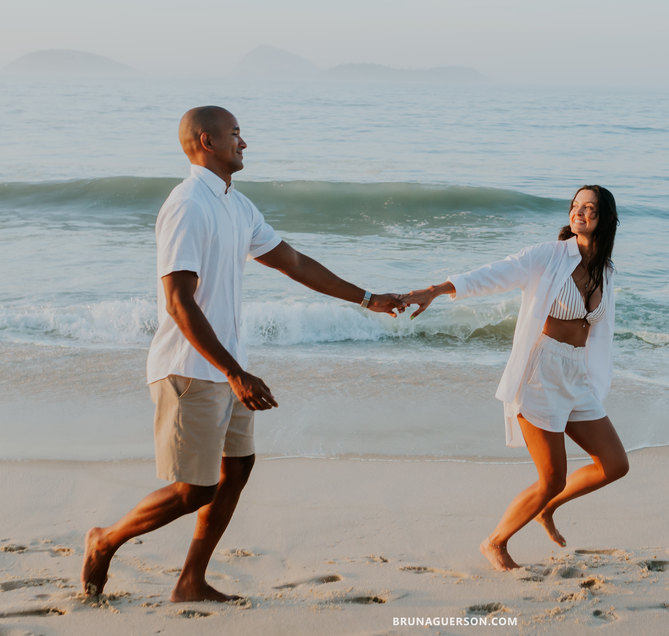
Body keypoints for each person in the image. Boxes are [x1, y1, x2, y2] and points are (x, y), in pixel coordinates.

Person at [81, 106, 404, 601]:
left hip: (227, 368)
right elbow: (177, 300)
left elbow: (292, 261)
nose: (244, 143)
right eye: (236, 135)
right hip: (192, 368)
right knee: (195, 489)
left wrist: (366, 299)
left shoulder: (236, 204)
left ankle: (190, 581)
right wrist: (234, 372)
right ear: (208, 142)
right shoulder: (187, 204)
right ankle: (105, 541)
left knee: (237, 469)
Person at [402, 185, 628, 570]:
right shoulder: (549, 256)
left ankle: (544, 508)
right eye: (575, 206)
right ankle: (495, 542)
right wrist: (435, 290)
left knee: (614, 464)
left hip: (576, 376)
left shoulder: (604, 271)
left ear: (605, 217)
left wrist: (591, 378)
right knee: (553, 476)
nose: (580, 213)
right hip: (540, 372)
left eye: (589, 208)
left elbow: (598, 333)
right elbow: (496, 274)